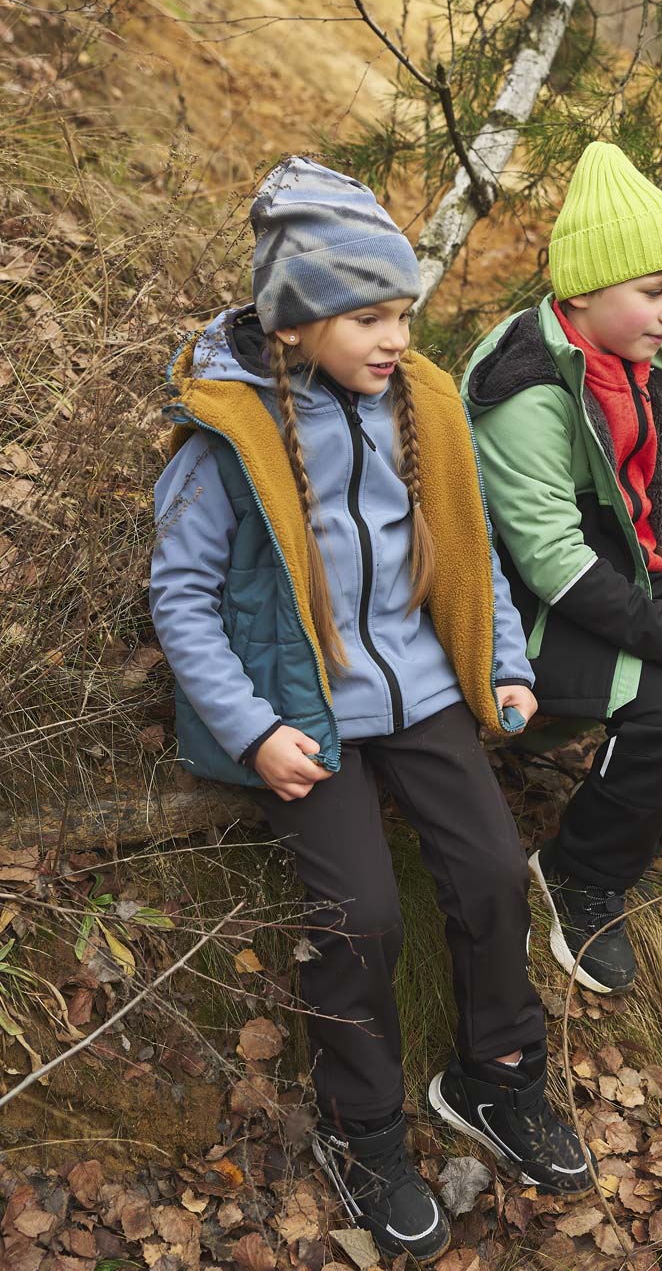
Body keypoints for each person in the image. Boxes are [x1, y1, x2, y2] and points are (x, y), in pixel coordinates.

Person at [150, 156, 590, 1264]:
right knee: (362, 914)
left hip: (422, 689)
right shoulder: (228, 436)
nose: (396, 338)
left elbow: (470, 550)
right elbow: (182, 599)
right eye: (369, 317)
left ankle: (498, 1077)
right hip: (306, 709)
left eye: (403, 313)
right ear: (295, 321)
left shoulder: (418, 403)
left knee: (493, 872)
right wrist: (255, 729)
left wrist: (500, 662)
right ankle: (365, 1131)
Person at [462, 142, 662, 998]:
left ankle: (622, 843)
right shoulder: (528, 387)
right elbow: (548, 559)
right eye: (653, 292)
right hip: (521, 610)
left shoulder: (655, 370)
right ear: (582, 292)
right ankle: (577, 874)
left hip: (619, 584)